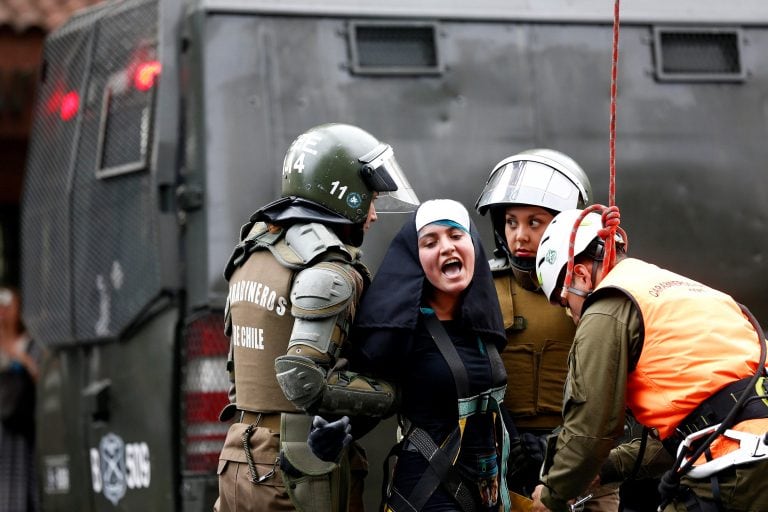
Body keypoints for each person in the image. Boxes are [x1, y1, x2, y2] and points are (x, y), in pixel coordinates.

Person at [214, 122, 419, 512]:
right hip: (296, 466)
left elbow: (240, 370)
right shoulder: (329, 270)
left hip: (239, 457)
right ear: (345, 193)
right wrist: (395, 393)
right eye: (369, 198)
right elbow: (303, 380)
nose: (373, 214)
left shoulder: (253, 252)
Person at [531, 208, 768, 512]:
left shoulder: (606, 306)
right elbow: (694, 434)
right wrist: (606, 470)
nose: (572, 315)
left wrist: (552, 496)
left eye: (566, 303)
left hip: (737, 470)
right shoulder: (687, 293)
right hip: (744, 456)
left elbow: (588, 431)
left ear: (579, 275)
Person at [312, 199, 513, 512]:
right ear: (415, 258)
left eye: (456, 236)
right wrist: (328, 434)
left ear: (473, 245)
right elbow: (361, 401)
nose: (446, 247)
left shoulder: (481, 327)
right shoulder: (402, 332)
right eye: (430, 242)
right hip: (426, 496)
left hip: (487, 497)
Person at [475, 149, 619, 510]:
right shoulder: (482, 288)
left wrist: (561, 445)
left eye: (535, 222)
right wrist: (505, 436)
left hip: (583, 462)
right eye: (511, 222)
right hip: (500, 461)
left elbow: (618, 381)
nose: (520, 235)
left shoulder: (596, 285)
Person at [0, 286, 44, 512]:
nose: (3, 310)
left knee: (26, 485)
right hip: (2, 431)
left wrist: (16, 355)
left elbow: (42, 376)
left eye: (8, 303)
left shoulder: (31, 343)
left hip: (24, 429)